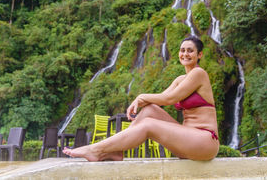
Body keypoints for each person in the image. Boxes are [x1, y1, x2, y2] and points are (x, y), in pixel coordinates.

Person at [63, 36, 219, 161]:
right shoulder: (180, 79)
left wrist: (141, 96)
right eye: (182, 50)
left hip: (205, 141)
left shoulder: (199, 74)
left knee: (148, 125)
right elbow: (161, 98)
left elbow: (169, 99)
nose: (185, 54)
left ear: (199, 55)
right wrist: (142, 101)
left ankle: (96, 149)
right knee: (150, 110)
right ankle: (117, 150)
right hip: (187, 140)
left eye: (190, 51)